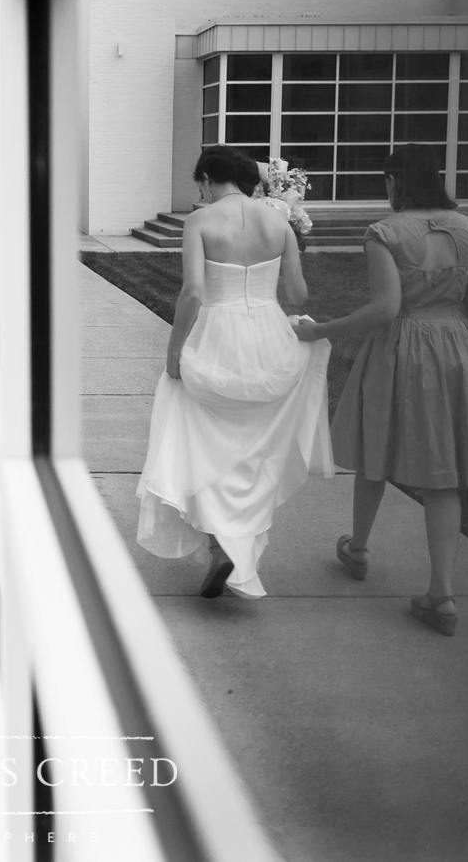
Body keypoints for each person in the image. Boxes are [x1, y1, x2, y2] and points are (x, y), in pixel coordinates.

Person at [296, 144, 468, 636]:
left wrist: (318, 330)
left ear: (396, 181)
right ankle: (442, 594)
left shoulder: (384, 233)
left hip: (401, 348)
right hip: (454, 348)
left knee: (377, 446)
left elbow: (385, 309)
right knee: (443, 472)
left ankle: (358, 549)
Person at [136, 146, 333, 599]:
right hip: (267, 336)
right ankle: (234, 541)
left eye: (198, 185)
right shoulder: (279, 222)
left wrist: (174, 353)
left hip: (218, 335)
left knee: (197, 429)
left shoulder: (200, 222)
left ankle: (218, 542)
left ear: (207, 180)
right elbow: (299, 296)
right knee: (251, 444)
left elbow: (192, 293)